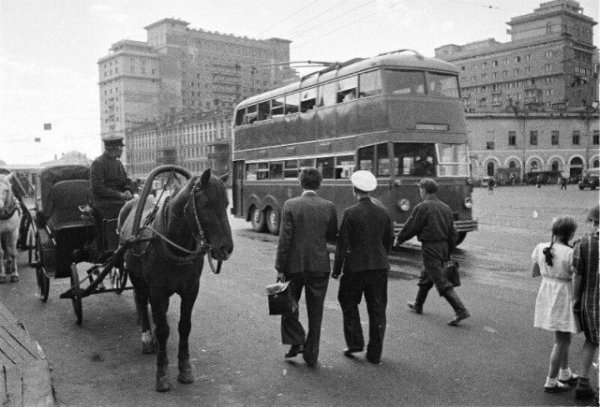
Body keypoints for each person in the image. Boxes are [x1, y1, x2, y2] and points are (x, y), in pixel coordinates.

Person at [275, 167, 338, 367]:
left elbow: (285, 239)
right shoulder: (329, 206)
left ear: (300, 183)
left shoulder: (290, 205)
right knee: (316, 311)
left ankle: (296, 339)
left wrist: (279, 266)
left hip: (294, 265)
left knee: (288, 306)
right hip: (320, 265)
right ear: (319, 184)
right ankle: (311, 355)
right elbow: (331, 236)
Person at [332, 170, 394, 365]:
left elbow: (342, 245)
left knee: (348, 301)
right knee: (377, 308)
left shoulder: (350, 213)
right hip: (379, 267)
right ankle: (375, 354)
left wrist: (336, 270)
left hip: (355, 268)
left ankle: (355, 342)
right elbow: (388, 240)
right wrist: (381, 257)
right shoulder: (384, 212)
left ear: (354, 190)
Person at [394, 178, 470, 326]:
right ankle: (418, 304)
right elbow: (453, 233)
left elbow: (412, 226)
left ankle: (461, 310)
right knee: (426, 275)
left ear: (423, 190)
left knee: (440, 280)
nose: (419, 191)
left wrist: (399, 239)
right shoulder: (445, 208)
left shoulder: (423, 207)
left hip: (430, 248)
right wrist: (448, 249)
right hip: (443, 247)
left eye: (420, 189)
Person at [531, 216, 579, 393]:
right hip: (563, 293)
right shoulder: (571, 252)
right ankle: (551, 380)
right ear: (571, 234)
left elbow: (534, 272)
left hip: (547, 291)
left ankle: (564, 372)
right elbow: (576, 276)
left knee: (563, 334)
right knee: (562, 338)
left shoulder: (540, 247)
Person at [571, 205, 599, 401]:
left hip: (590, 303)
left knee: (591, 341)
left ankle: (582, 380)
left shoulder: (583, 244)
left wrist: (575, 299)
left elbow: (577, 277)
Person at [90, 135, 135, 220]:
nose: (122, 150)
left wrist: (128, 189)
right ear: (112, 148)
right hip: (105, 204)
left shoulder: (118, 163)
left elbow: (126, 180)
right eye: (120, 147)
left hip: (119, 201)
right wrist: (120, 195)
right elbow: (98, 188)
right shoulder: (98, 163)